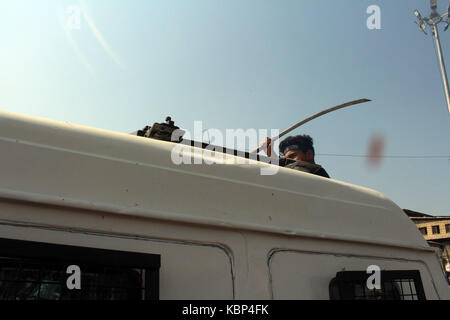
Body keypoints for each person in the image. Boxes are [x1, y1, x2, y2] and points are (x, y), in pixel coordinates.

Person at [262, 135, 330, 178]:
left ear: (309, 154)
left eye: (292, 156)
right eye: (286, 159)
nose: (288, 161)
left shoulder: (320, 176)